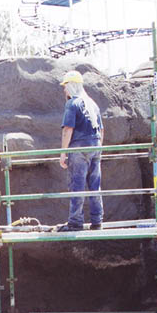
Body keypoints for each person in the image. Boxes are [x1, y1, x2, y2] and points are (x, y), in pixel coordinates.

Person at [58, 70, 104, 231]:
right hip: (95, 146)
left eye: (65, 86)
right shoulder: (93, 104)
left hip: (79, 148)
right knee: (95, 184)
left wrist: (63, 154)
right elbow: (101, 130)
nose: (64, 90)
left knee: (77, 184)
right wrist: (99, 150)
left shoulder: (72, 104)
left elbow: (68, 129)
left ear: (71, 86)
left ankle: (76, 222)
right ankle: (97, 220)